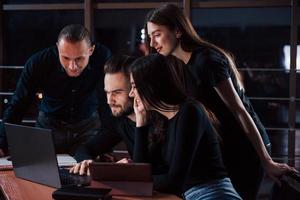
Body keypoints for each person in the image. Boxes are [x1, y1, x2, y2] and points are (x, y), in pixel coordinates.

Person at [143, 4, 296, 199]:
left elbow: (239, 110)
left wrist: (267, 162)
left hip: (245, 145)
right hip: (224, 146)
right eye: (149, 36)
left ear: (178, 30)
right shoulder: (177, 66)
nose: (152, 42)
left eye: (157, 34)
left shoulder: (207, 61)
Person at [129, 53, 241, 199]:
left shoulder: (190, 111)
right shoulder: (162, 120)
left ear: (151, 85)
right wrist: (141, 121)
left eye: (134, 86)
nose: (131, 94)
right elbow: (141, 170)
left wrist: (139, 180)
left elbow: (173, 182)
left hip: (214, 194)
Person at [0, 24, 111, 157]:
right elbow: (18, 104)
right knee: (39, 173)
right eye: (66, 58)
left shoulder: (103, 57)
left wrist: (106, 144)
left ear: (91, 50)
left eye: (79, 59)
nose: (72, 66)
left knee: (90, 172)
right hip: (48, 127)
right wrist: (2, 144)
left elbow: (108, 102)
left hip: (87, 127)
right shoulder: (38, 63)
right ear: (58, 48)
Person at [70, 55, 138, 174]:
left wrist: (114, 171)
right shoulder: (120, 121)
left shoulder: (159, 121)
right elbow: (85, 149)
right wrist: (88, 161)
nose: (109, 101)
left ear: (135, 89)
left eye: (117, 93)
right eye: (107, 93)